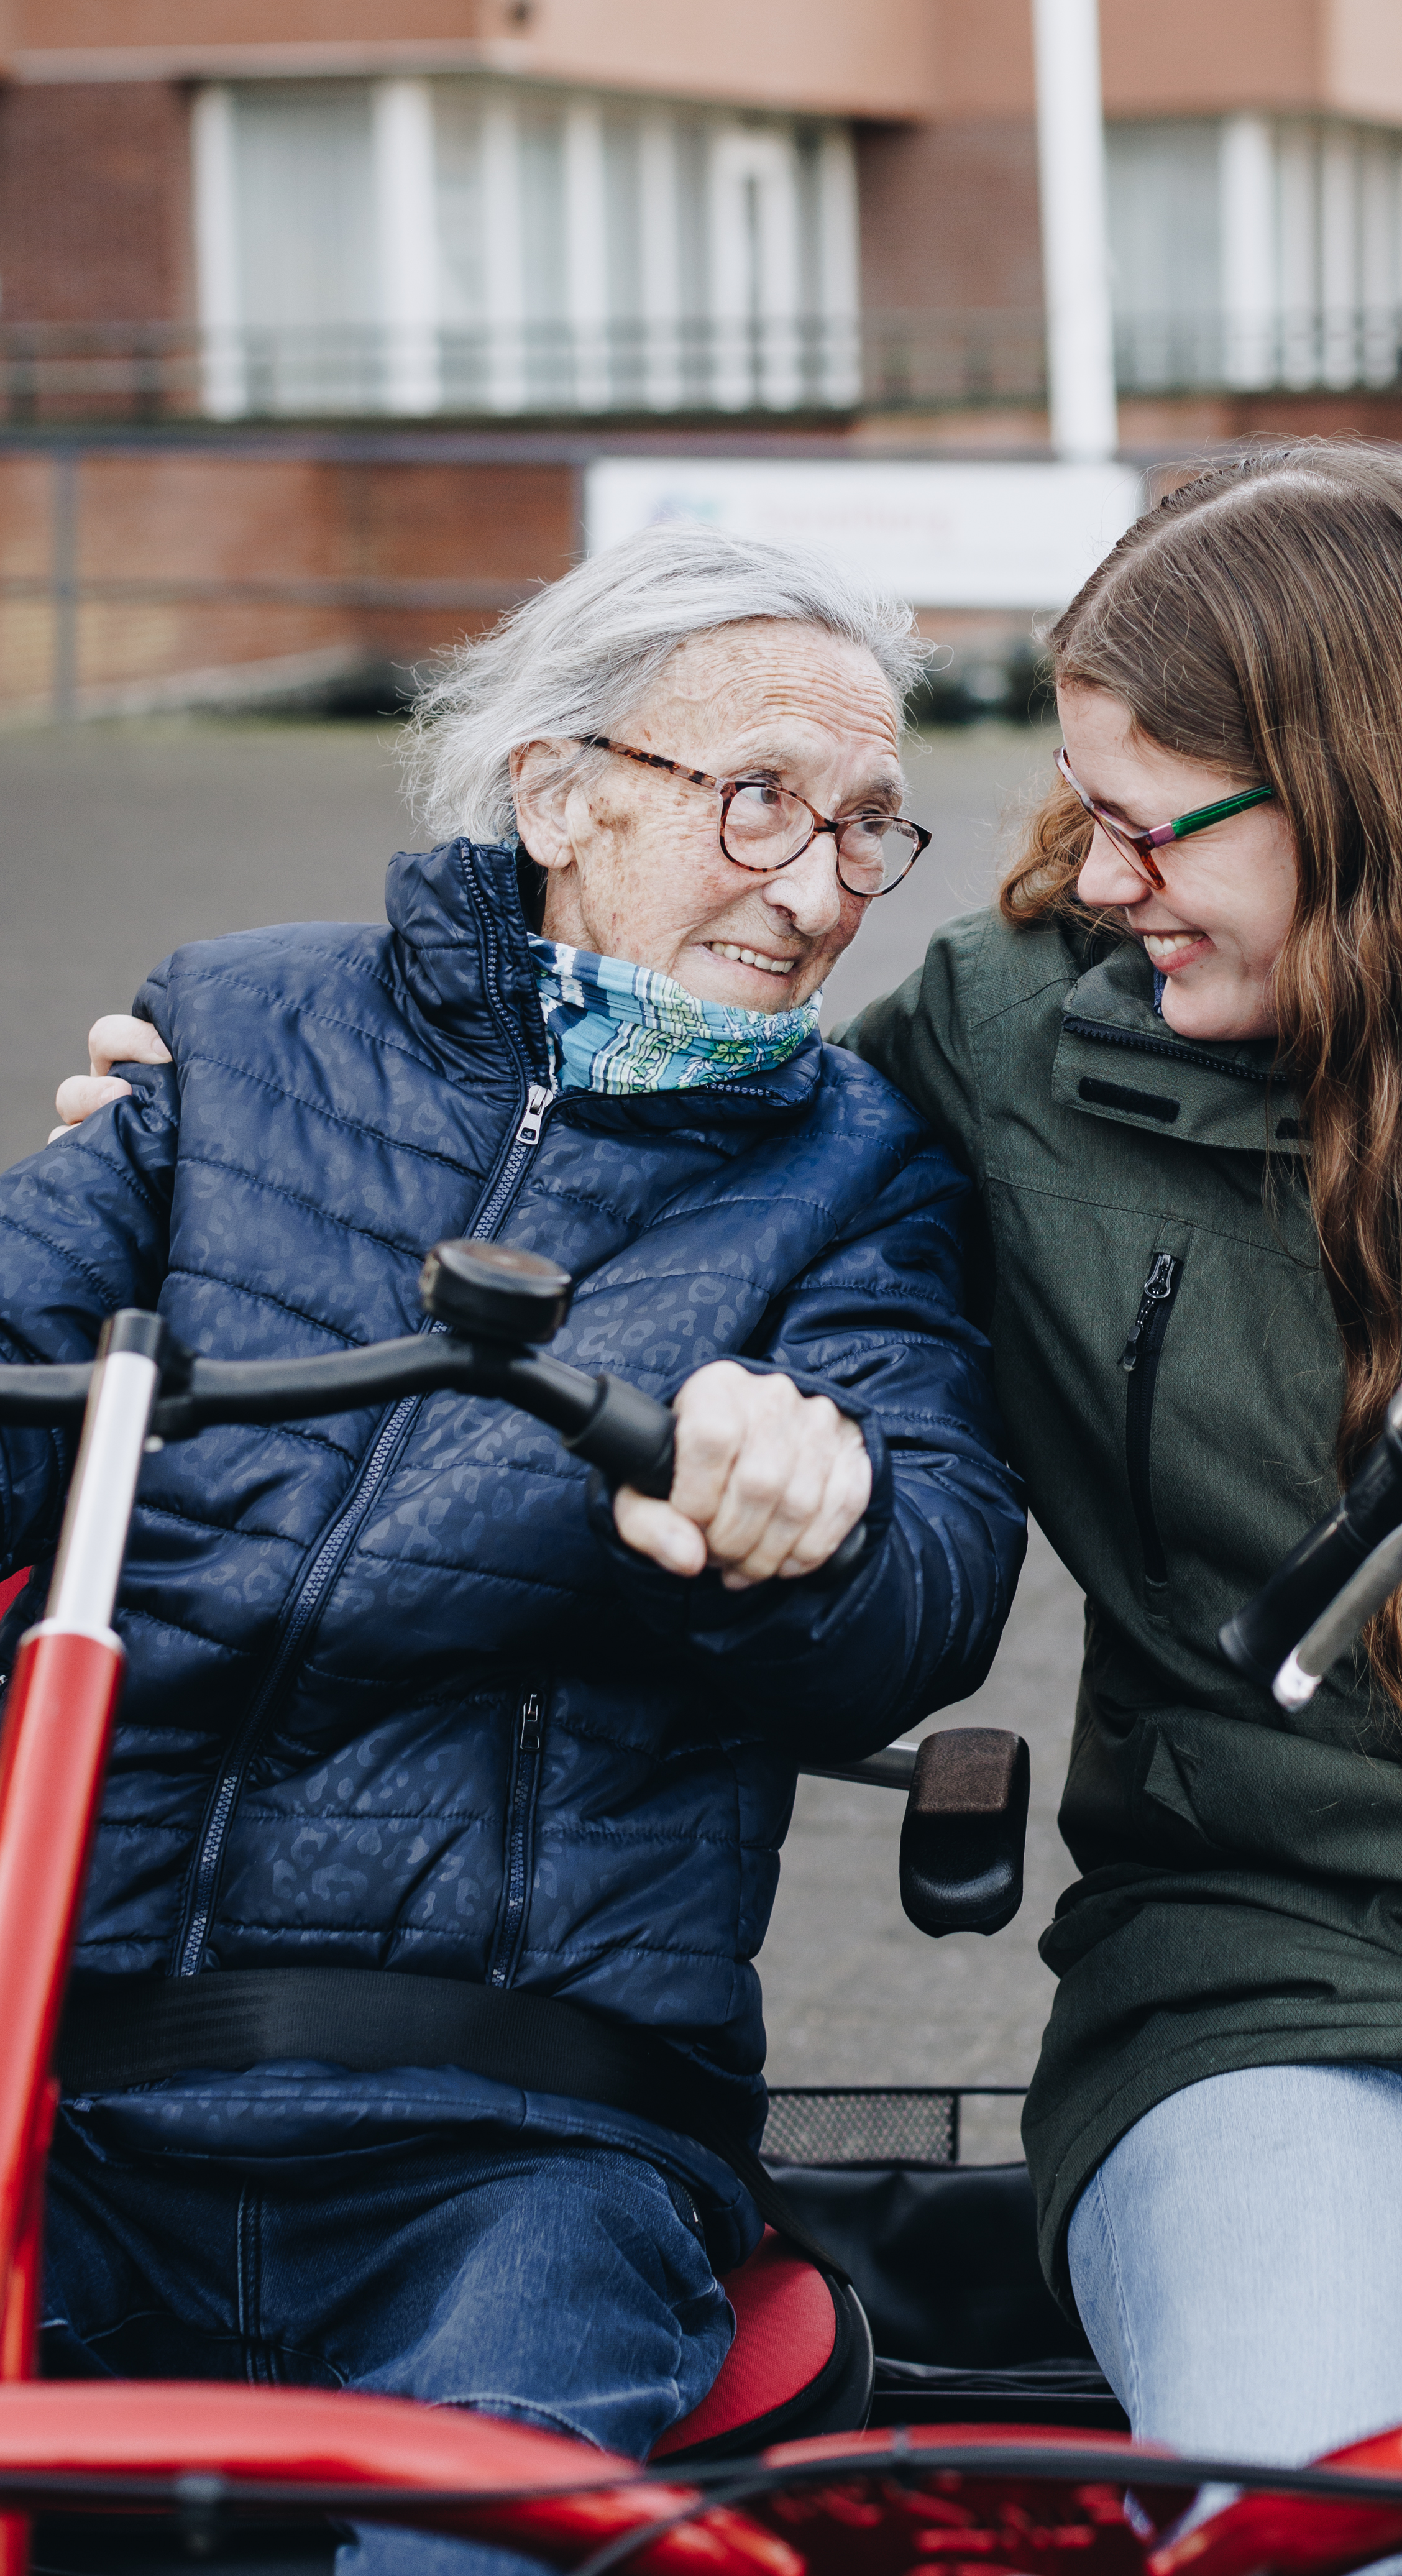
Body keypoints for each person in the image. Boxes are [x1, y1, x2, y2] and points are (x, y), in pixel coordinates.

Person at [61, 444, 1402, 2479]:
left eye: (1148, 830)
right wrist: (249, 1120)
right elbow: (710, 1184)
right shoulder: (1012, 1044)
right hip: (1298, 2001)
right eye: (1084, 814)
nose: (1089, 879)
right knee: (1289, 2507)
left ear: (1372, 808)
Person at [7, 526, 1024, 2562]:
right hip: (71, 2068)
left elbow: (926, 1576)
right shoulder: (228, 1033)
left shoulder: (856, 1172)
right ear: (563, 792)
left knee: (483, 2532)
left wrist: (791, 1515)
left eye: (869, 833)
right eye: (761, 803)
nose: (819, 890)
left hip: (526, 2123)